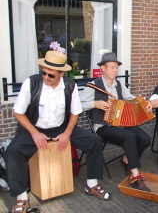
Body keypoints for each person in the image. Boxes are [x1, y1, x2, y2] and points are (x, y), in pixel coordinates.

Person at [5, 50, 111, 213]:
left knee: (94, 141)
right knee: (13, 151)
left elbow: (75, 112)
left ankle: (92, 184)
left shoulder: (70, 85)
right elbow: (18, 112)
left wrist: (67, 133)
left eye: (51, 75)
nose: (46, 77)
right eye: (44, 73)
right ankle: (21, 198)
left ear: (61, 73)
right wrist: (34, 133)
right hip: (34, 126)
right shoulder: (31, 83)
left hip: (61, 126)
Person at [80, 52, 151, 192]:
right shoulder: (93, 86)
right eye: (112, 67)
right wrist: (95, 103)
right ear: (103, 68)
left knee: (145, 138)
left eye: (116, 67)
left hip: (120, 124)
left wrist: (145, 103)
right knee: (129, 136)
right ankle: (135, 176)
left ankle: (127, 159)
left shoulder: (119, 85)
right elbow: (79, 104)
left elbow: (130, 98)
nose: (115, 70)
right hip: (102, 126)